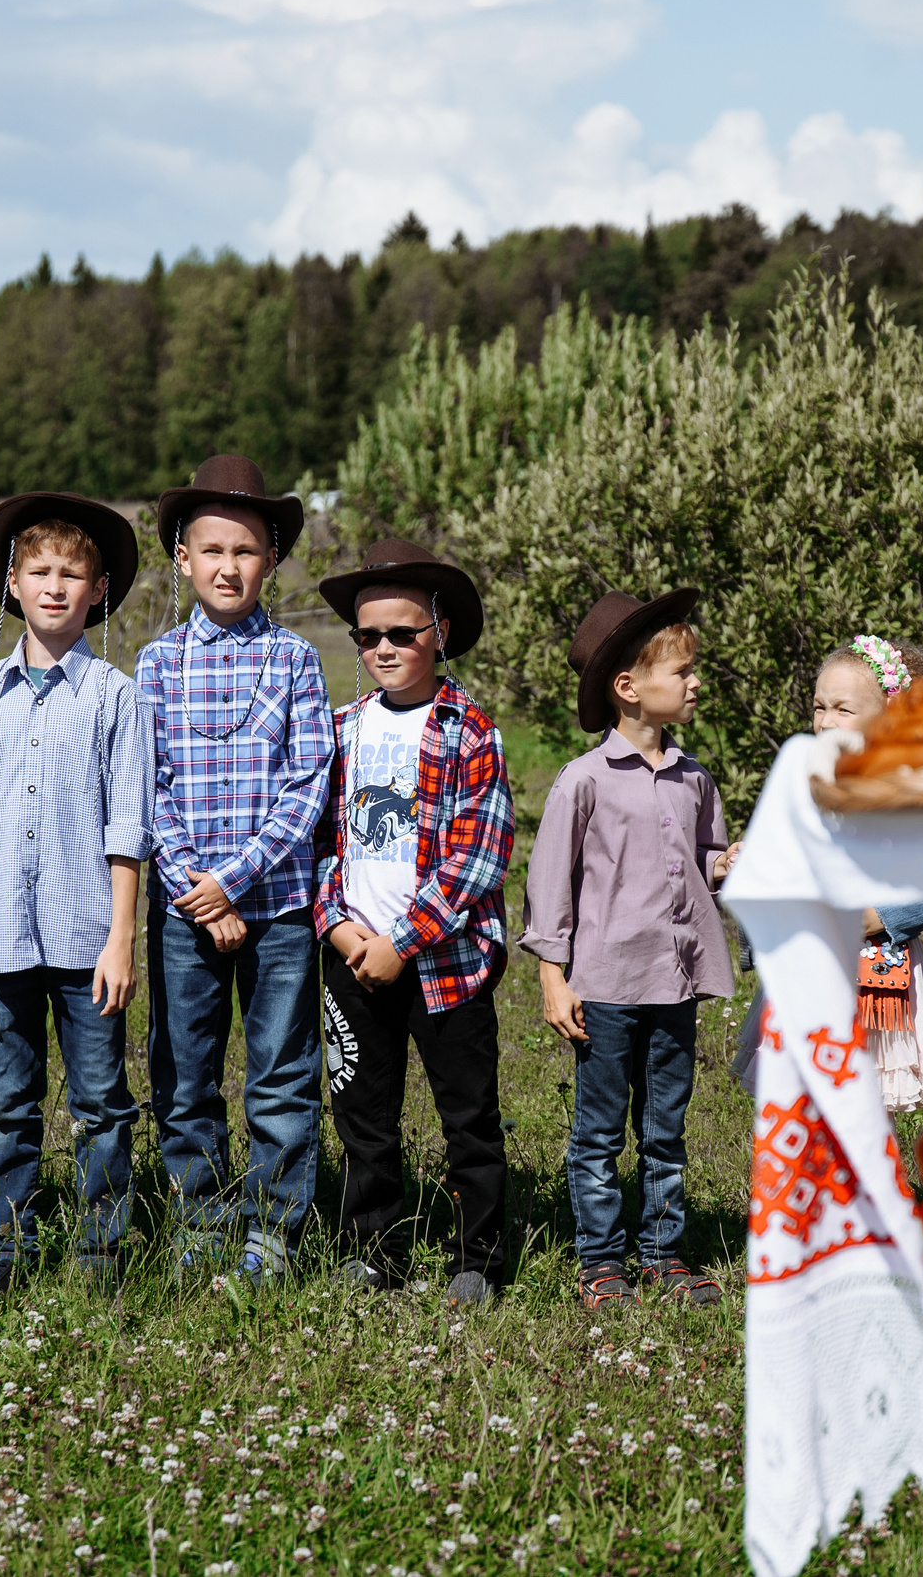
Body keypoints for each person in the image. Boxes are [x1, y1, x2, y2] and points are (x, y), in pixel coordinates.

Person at [0, 495, 153, 1294]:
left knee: (101, 1104)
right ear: (12, 585)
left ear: (98, 590)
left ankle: (104, 1257)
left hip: (85, 937)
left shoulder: (114, 696)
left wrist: (119, 937)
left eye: (73, 574)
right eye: (40, 572)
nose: (56, 586)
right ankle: (9, 1254)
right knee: (6, 1105)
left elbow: (127, 829)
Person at [136, 454, 336, 1284]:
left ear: (272, 561)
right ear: (183, 558)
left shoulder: (294, 662)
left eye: (246, 551)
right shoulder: (153, 664)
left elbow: (308, 782)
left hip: (279, 904)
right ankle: (201, 1218)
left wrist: (237, 879)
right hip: (186, 907)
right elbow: (147, 790)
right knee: (184, 1068)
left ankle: (276, 1230)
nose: (228, 566)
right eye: (211, 550)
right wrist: (196, 885)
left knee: (283, 1070)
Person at [310, 539, 516, 1309]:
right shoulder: (343, 727)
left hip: (442, 958)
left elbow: (477, 857)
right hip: (354, 954)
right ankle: (374, 1249)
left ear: (441, 633)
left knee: (467, 1111)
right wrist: (339, 926)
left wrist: (403, 939)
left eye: (403, 633)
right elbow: (323, 839)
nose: (385, 648)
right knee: (363, 1108)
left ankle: (481, 1256)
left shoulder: (471, 731)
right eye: (369, 636)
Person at [523, 588, 736, 1310]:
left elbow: (701, 860)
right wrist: (554, 976)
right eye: (682, 671)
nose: (694, 681)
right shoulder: (582, 781)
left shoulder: (695, 778)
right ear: (629, 688)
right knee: (598, 1133)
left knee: (666, 1131)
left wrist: (725, 864)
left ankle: (662, 1253)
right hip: (606, 987)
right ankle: (600, 1261)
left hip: (673, 985)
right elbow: (549, 885)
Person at [809, 635, 923, 1109]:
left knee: (868, 1096)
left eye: (843, 709)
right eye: (818, 707)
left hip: (878, 971)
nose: (826, 721)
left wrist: (882, 916)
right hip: (814, 960)